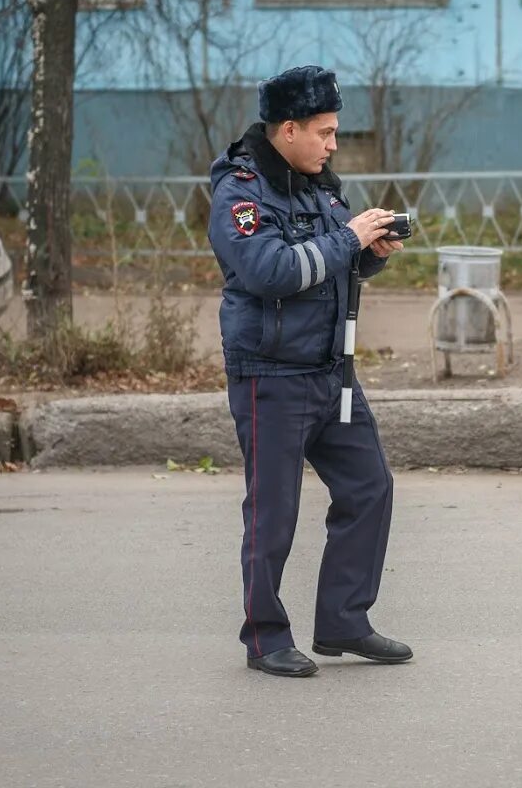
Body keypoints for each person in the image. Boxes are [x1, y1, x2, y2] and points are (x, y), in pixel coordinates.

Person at [207, 65, 412, 678]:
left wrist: (368, 255)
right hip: (269, 376)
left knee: (369, 487)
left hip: (331, 370)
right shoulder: (241, 195)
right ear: (287, 129)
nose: (332, 144)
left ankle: (345, 621)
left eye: (335, 133)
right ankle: (265, 637)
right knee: (274, 511)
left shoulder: (320, 186)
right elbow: (270, 272)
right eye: (323, 132)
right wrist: (348, 240)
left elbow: (329, 267)